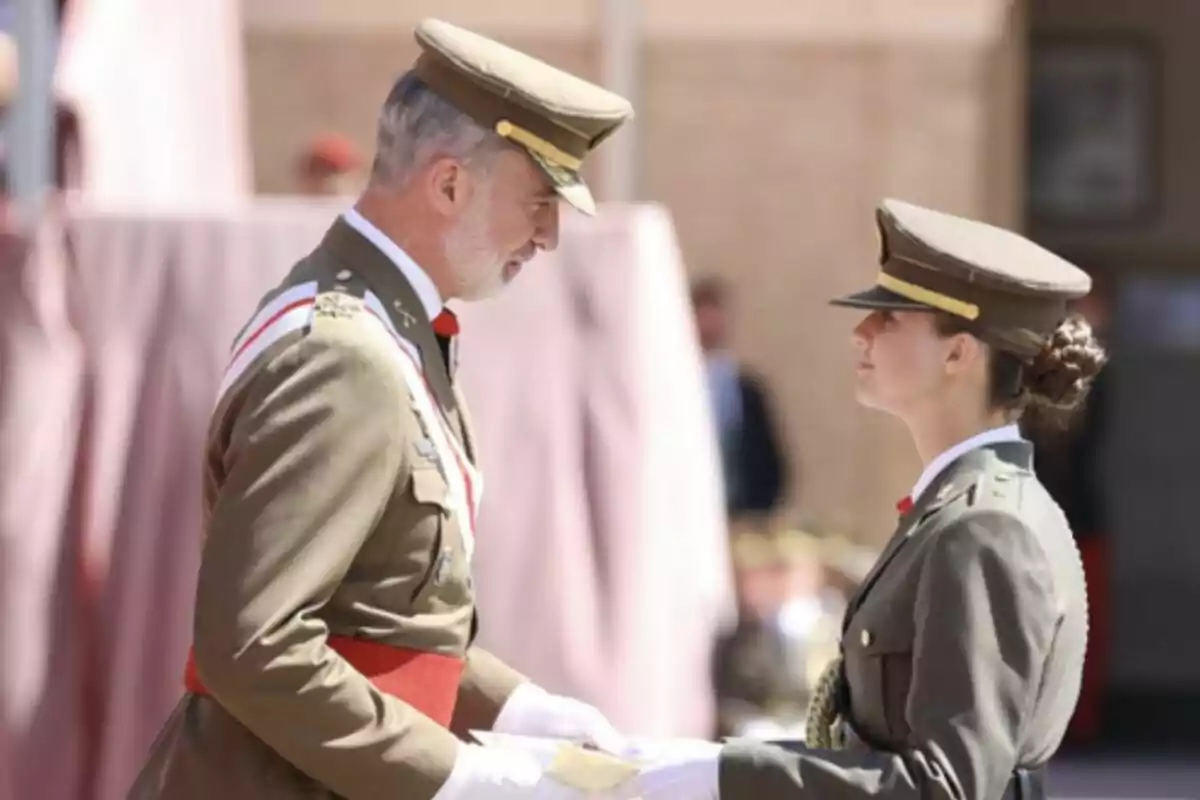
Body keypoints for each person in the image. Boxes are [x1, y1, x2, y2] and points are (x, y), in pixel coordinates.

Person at [128, 18, 633, 800]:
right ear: (449, 184)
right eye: (539, 200)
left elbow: (377, 622)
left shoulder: (388, 328)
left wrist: (518, 708)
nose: (549, 235)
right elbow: (253, 646)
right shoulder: (344, 353)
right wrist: (457, 774)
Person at [616, 198, 1106, 800]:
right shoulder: (966, 508)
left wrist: (715, 779)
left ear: (958, 353)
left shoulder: (984, 526)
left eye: (890, 319)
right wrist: (699, 761)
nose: (861, 332)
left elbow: (944, 787)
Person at [691, 277, 790, 520]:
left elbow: (767, 459)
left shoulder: (745, 389)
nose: (708, 324)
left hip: (737, 513)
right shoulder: (669, 386)